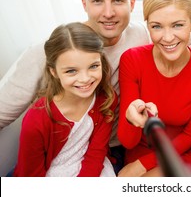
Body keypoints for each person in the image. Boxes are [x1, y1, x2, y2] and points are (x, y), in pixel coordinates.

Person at [0, 0, 191, 175]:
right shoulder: (48, 52)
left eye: (118, 0)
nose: (108, 13)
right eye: (98, 1)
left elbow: (176, 34)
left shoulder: (142, 36)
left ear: (131, 4)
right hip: (53, 156)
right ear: (84, 3)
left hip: (104, 153)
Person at [117, 0, 191, 177]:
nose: (168, 37)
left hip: (182, 150)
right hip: (141, 148)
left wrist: (141, 165)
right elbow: (127, 141)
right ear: (148, 26)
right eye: (157, 26)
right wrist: (131, 121)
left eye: (177, 25)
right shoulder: (132, 60)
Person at [13, 22, 117, 176]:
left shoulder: (106, 100)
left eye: (93, 66)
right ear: (54, 72)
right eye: (71, 71)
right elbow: (30, 175)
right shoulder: (36, 120)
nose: (85, 79)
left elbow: (96, 153)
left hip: (91, 167)